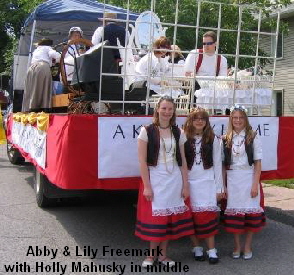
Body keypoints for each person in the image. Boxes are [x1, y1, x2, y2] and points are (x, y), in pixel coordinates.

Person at [135, 96, 194, 268]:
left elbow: (182, 160)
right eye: (164, 108)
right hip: (156, 178)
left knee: (168, 219)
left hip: (174, 179)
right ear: (157, 109)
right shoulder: (146, 131)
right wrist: (147, 186)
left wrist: (185, 185)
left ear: (174, 111)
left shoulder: (179, 132)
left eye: (170, 109)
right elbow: (142, 161)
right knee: (156, 221)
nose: (167, 112)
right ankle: (151, 255)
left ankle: (163, 255)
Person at [222, 104, 265, 260]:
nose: (238, 120)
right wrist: (223, 185)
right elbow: (222, 164)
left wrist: (255, 184)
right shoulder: (226, 138)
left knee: (250, 214)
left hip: (248, 178)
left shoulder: (253, 136)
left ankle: (247, 245)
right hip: (233, 180)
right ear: (231, 119)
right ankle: (237, 246)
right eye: (235, 118)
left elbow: (258, 162)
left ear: (245, 119)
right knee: (236, 216)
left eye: (240, 118)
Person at [183, 107, 225, 264]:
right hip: (190, 183)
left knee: (207, 218)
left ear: (207, 122)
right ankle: (196, 247)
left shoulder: (213, 139)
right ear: (190, 121)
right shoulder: (183, 138)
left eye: (202, 118)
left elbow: (217, 164)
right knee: (191, 218)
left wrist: (219, 188)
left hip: (207, 183)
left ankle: (212, 249)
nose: (199, 121)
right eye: (196, 118)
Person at [22, 38, 61, 112]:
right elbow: (56, 56)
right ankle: (42, 107)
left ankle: (29, 107)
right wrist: (59, 59)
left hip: (31, 68)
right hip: (42, 67)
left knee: (31, 87)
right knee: (43, 86)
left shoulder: (36, 50)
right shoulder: (47, 48)